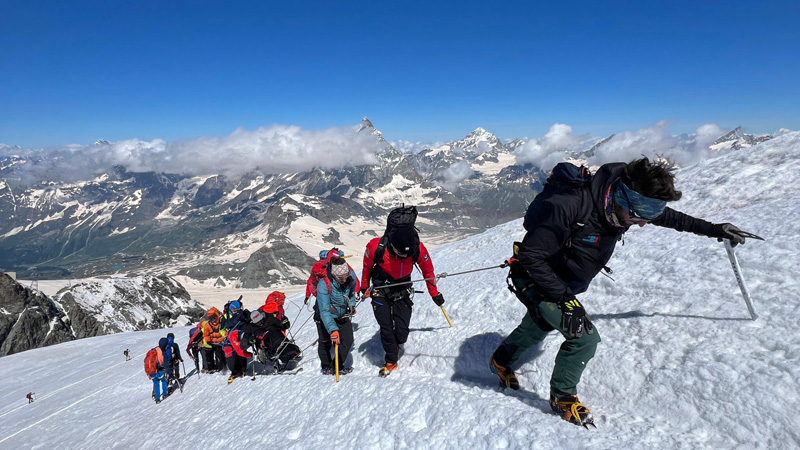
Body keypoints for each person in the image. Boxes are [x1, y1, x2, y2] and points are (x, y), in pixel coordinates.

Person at [491, 157, 752, 427]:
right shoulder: (569, 207)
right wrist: (567, 300)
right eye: (638, 217)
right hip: (536, 278)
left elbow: (670, 217)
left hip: (563, 282)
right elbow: (532, 257)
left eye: (647, 216)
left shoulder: (626, 202)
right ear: (620, 199)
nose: (641, 224)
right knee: (583, 337)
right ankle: (563, 398)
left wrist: (714, 230)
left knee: (540, 322)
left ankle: (500, 361)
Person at [361, 206, 445, 376]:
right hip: (381, 288)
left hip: (403, 287)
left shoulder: (417, 248)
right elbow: (367, 267)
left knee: (402, 332)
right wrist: (364, 287)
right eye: (399, 254)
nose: (403, 258)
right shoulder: (376, 246)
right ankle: (391, 359)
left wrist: (434, 293)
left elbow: (428, 272)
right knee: (385, 326)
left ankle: (396, 343)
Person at [314, 257, 359, 375]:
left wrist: (351, 305)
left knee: (347, 340)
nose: (344, 279)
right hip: (324, 315)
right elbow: (324, 310)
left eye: (346, 276)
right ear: (334, 275)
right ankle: (326, 366)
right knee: (325, 341)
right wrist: (333, 330)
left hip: (342, 314)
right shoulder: (324, 285)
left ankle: (336, 366)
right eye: (340, 278)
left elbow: (352, 293)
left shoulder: (350, 277)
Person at [200, 308, 226, 373]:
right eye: (211, 318)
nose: (213, 320)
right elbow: (206, 334)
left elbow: (226, 331)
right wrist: (208, 341)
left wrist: (224, 338)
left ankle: (223, 367)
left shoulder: (222, 322)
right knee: (218, 356)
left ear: (216, 315)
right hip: (214, 343)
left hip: (223, 342)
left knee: (223, 355)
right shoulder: (208, 325)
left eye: (214, 318)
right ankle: (220, 368)